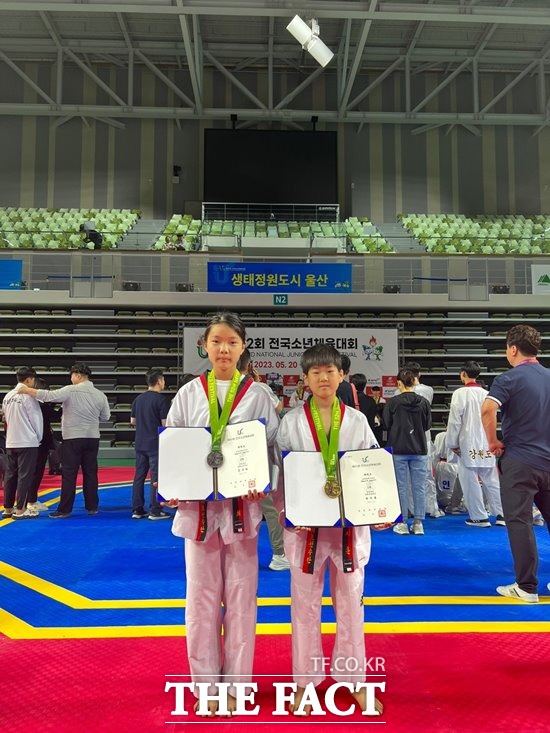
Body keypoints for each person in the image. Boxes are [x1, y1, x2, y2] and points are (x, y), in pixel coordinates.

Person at [166, 312, 279, 716]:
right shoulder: (189, 393)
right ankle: (205, 686)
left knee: (242, 600)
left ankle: (238, 686)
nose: (224, 349)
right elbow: (174, 445)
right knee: (199, 600)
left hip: (241, 512)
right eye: (217, 341)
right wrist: (171, 486)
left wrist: (263, 482)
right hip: (197, 511)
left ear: (243, 346)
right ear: (205, 346)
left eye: (232, 341)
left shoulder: (259, 395)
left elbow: (271, 452)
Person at [276, 343, 385, 716]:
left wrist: (380, 507)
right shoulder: (290, 423)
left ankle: (354, 682)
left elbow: (372, 471)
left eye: (330, 371)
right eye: (315, 372)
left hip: (348, 532)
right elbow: (280, 480)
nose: (324, 378)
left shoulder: (356, 422)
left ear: (341, 375)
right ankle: (305, 685)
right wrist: (288, 511)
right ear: (304, 380)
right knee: (304, 608)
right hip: (305, 531)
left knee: (351, 607)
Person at [481, 324, 550, 604]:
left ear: (512, 349)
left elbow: (487, 409)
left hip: (520, 461)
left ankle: (527, 586)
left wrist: (493, 441)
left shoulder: (507, 379)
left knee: (519, 522)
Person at [19, 362, 111, 519]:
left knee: (69, 474)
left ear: (78, 375)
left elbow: (49, 395)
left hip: (73, 438)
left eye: (72, 375)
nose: (71, 378)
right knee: (90, 473)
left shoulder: (70, 390)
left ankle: (65, 509)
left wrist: (28, 390)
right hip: (92, 438)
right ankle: (92, 506)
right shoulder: (100, 395)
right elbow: (105, 417)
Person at [236, 349, 288, 571]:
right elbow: (277, 416)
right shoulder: (260, 389)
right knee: (269, 506)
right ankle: (279, 553)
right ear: (249, 366)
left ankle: (236, 556)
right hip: (258, 455)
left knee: (232, 505)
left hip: (229, 459)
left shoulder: (203, 391)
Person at [446, 361, 504, 528]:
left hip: (468, 442)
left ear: (463, 374)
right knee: (492, 480)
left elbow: (455, 421)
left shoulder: (459, 394)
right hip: (486, 441)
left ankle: (479, 517)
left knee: (470, 480)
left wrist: (452, 443)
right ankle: (502, 514)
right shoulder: (488, 393)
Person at [383, 367, 431, 535]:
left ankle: (402, 522)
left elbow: (386, 424)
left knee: (401, 487)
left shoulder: (393, 403)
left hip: (399, 448)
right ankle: (418, 523)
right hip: (419, 448)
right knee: (419, 487)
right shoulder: (424, 402)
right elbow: (427, 425)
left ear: (399, 383)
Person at [2, 367, 43, 519]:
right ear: (29, 380)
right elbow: (36, 419)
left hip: (11, 441)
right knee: (25, 476)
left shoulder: (8, 396)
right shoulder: (28, 396)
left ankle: (7, 508)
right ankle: (20, 509)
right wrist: (38, 437)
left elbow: (5, 418)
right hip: (27, 441)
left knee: (10, 475)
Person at [130, 368, 171, 520]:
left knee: (138, 477)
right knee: (156, 478)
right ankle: (155, 509)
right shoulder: (161, 400)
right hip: (155, 444)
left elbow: (132, 421)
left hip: (140, 442)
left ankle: (137, 509)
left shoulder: (138, 399)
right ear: (159, 381)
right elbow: (165, 424)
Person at [405, 361, 442, 519]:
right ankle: (432, 508)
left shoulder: (400, 392)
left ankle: (411, 509)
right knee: (427, 475)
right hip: (424, 436)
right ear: (419, 374)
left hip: (408, 437)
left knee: (408, 476)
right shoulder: (429, 390)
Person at [26, 377, 61, 513]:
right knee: (36, 472)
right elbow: (56, 416)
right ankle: (31, 500)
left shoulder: (33, 403)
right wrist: (63, 405)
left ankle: (30, 500)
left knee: (32, 472)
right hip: (40, 441)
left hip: (32, 440)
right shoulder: (40, 405)